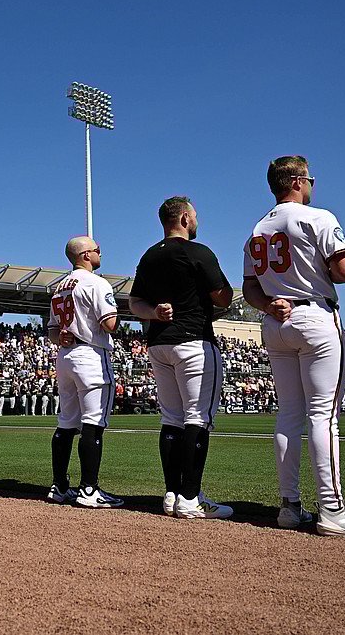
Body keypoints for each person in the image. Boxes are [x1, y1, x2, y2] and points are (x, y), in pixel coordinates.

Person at [242, 156, 345, 536]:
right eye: (311, 179)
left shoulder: (258, 228)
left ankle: (289, 505)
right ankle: (333, 508)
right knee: (323, 415)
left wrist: (270, 303)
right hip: (313, 315)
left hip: (275, 320)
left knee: (288, 414)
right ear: (299, 181)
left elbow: (250, 287)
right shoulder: (318, 217)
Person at [128, 197, 234, 520]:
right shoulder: (199, 253)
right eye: (196, 215)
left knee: (171, 419)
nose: (197, 220)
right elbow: (224, 296)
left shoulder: (148, 256)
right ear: (185, 218)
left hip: (159, 343)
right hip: (193, 341)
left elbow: (135, 303)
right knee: (197, 419)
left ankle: (173, 494)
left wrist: (156, 312)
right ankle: (190, 498)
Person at [45, 235, 122, 508]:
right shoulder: (96, 283)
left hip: (65, 356)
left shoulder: (60, 286)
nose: (100, 253)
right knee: (93, 423)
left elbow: (53, 331)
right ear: (85, 255)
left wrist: (61, 339)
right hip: (90, 353)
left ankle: (59, 486)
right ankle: (89, 489)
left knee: (66, 423)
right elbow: (110, 323)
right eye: (97, 250)